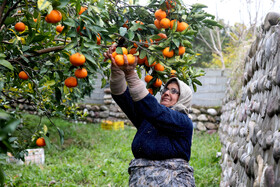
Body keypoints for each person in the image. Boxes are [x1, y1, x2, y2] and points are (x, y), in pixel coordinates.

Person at [104, 45, 195, 187]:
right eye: (165, 89)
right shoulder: (148, 120)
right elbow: (122, 97)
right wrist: (116, 69)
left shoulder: (183, 122)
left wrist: (131, 75)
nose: (166, 93)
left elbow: (154, 109)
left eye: (174, 91)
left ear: (183, 98)